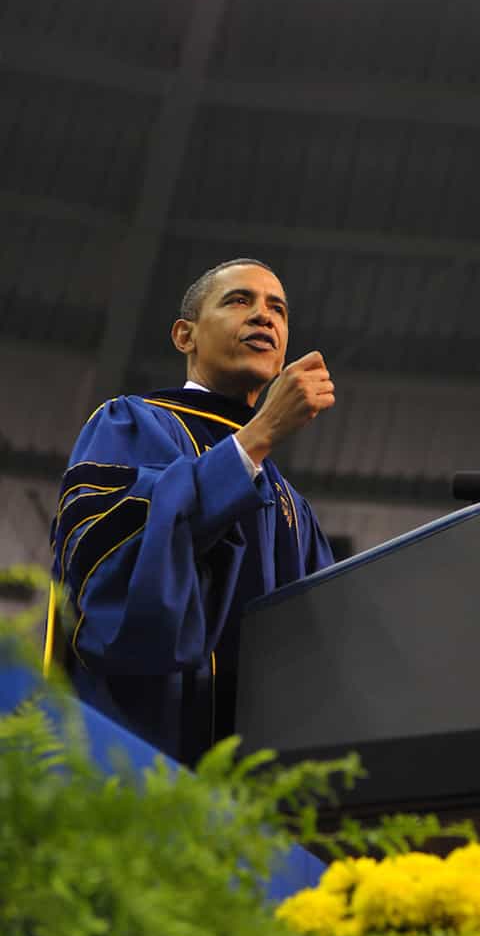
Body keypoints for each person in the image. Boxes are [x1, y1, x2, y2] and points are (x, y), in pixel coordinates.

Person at [49, 258, 336, 764]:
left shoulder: (294, 509)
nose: (264, 317)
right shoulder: (131, 423)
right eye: (238, 301)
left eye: (278, 310)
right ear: (185, 335)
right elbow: (111, 573)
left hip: (262, 798)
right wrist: (257, 438)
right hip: (140, 758)